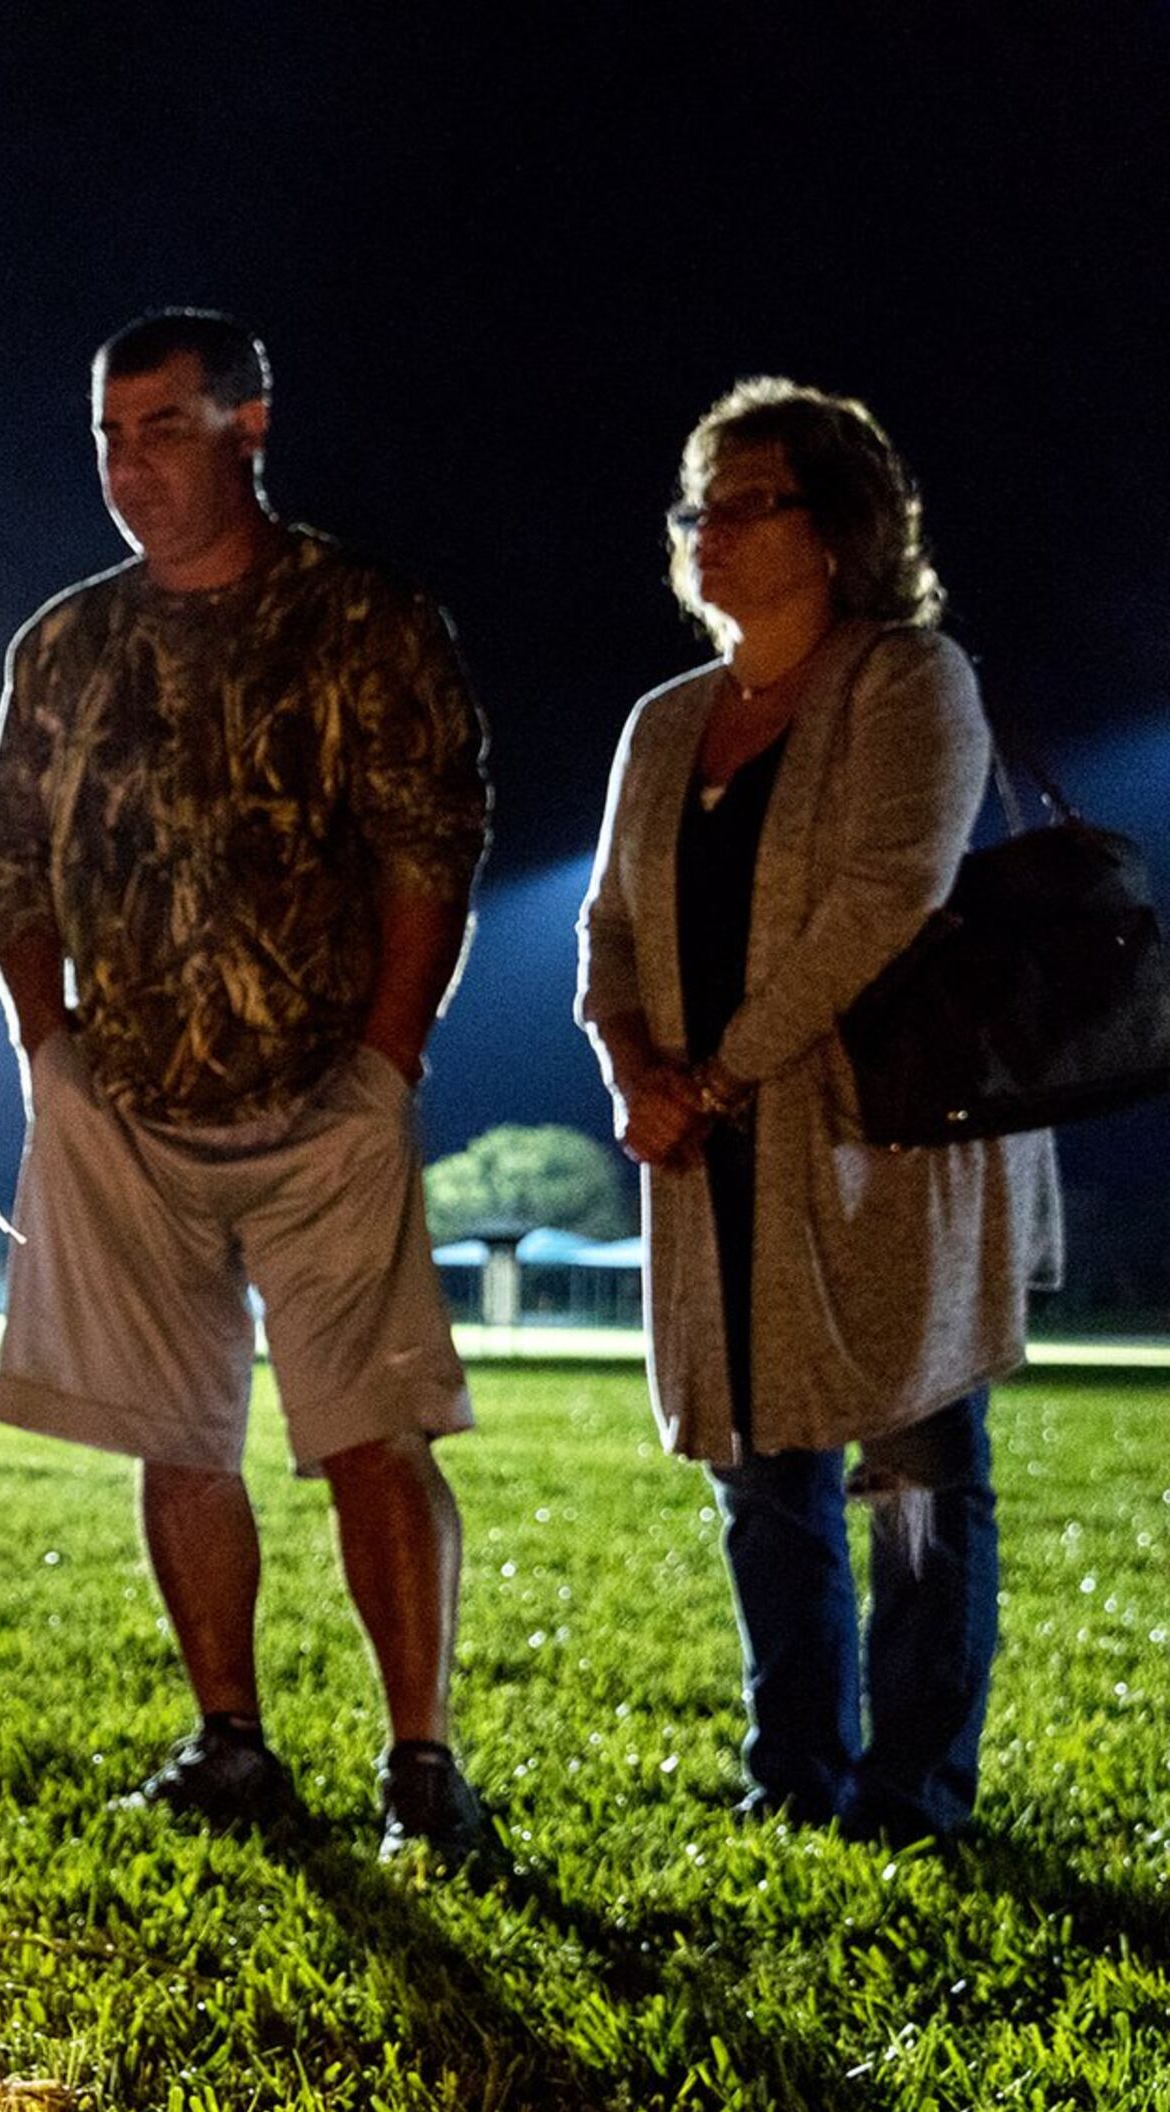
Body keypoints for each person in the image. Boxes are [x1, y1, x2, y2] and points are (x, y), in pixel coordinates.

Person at [0, 307, 503, 1864]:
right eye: (110, 434)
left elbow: (429, 845)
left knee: (372, 1425)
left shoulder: (363, 619)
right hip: (127, 1103)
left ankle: (421, 1761)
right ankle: (232, 1739)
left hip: (324, 1096)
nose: (132, 466)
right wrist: (45, 1044)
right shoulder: (63, 646)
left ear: (250, 425)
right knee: (175, 1434)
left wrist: (386, 1062)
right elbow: (12, 859)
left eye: (166, 428)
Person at [578, 381, 1057, 1844]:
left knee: (914, 1474)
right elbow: (608, 929)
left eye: (744, 501)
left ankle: (912, 1789)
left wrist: (717, 1073)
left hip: (882, 1151)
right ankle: (792, 1767)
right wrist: (634, 1072)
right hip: (709, 1155)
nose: (705, 531)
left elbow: (880, 904)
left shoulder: (909, 683)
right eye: (694, 506)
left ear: (838, 525)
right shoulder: (666, 723)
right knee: (763, 1476)